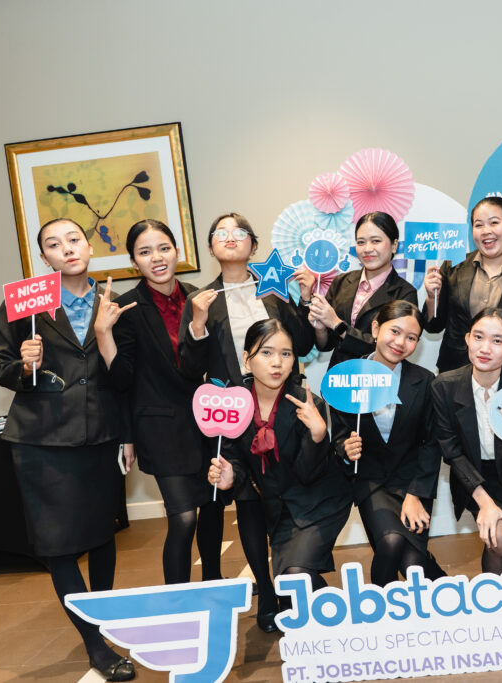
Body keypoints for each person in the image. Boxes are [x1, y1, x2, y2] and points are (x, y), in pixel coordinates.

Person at [0, 217, 135, 681]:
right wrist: (24, 365)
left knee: (103, 535)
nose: (67, 248)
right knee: (59, 545)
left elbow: (125, 379)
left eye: (74, 239)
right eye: (54, 244)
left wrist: (127, 434)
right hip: (41, 440)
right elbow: (0, 367)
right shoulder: (24, 304)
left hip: (101, 435)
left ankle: (102, 620)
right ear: (44, 258)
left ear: (89, 247)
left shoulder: (113, 301)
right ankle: (95, 644)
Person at [178, 212, 313, 632]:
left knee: (287, 494)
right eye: (221, 233)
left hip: (281, 405)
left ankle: (296, 575)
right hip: (233, 413)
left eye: (239, 232)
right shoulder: (201, 300)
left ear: (254, 245)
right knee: (248, 504)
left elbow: (303, 344)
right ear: (211, 247)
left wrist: (304, 299)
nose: (230, 238)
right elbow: (189, 367)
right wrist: (197, 324)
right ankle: (267, 595)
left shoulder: (274, 289)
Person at [94, 219, 224, 585]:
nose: (157, 258)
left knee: (213, 509)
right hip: (160, 428)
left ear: (177, 251)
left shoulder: (199, 297)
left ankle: (214, 585)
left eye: (164, 248)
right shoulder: (125, 307)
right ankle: (178, 598)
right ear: (133, 262)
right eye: (145, 252)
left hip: (208, 422)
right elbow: (121, 380)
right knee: (183, 518)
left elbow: (209, 363)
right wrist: (103, 333)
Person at [208, 319, 350, 604]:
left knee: (296, 575)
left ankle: (339, 611)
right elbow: (235, 458)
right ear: (247, 359)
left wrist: (317, 435)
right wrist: (230, 475)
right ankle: (331, 608)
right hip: (280, 508)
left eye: (286, 354)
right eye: (266, 353)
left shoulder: (306, 403)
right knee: (289, 589)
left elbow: (308, 473)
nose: (277, 363)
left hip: (319, 502)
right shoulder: (235, 404)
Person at [332, 300, 445, 585]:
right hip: (370, 480)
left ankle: (448, 589)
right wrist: (345, 448)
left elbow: (432, 443)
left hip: (412, 481)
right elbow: (339, 434)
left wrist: (415, 494)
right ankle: (379, 606)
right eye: (394, 331)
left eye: (411, 337)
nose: (400, 342)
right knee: (391, 542)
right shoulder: (348, 376)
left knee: (413, 565)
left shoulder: (424, 381)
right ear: (375, 328)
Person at [430, 308, 502, 575]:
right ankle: (494, 599)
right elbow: (451, 452)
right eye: (478, 337)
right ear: (467, 338)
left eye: (497, 340)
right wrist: (485, 503)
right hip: (474, 478)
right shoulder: (444, 387)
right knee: (498, 537)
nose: (485, 348)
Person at [423, 197, 502, 388]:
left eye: (494, 223)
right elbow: (434, 326)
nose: (486, 231)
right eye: (479, 225)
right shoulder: (453, 267)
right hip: (454, 375)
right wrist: (432, 298)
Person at [298, 212, 417, 368]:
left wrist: (336, 324)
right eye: (361, 242)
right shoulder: (342, 282)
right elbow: (326, 345)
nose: (367, 249)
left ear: (394, 245)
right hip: (339, 375)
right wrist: (321, 329)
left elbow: (391, 348)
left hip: (378, 375)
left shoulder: (405, 293)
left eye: (376, 241)